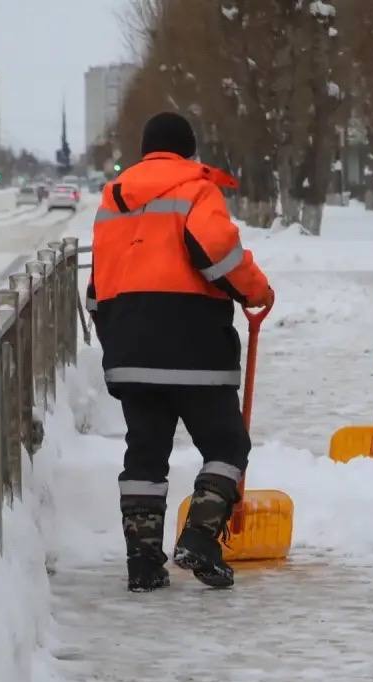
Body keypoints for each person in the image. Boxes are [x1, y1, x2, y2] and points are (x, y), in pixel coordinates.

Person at [88, 112, 275, 592]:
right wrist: (255, 290)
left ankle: (143, 562)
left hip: (130, 347)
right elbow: (217, 253)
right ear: (190, 151)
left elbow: (97, 284)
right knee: (226, 446)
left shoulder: (113, 198)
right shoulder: (196, 189)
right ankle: (200, 538)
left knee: (145, 453)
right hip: (194, 347)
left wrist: (117, 338)